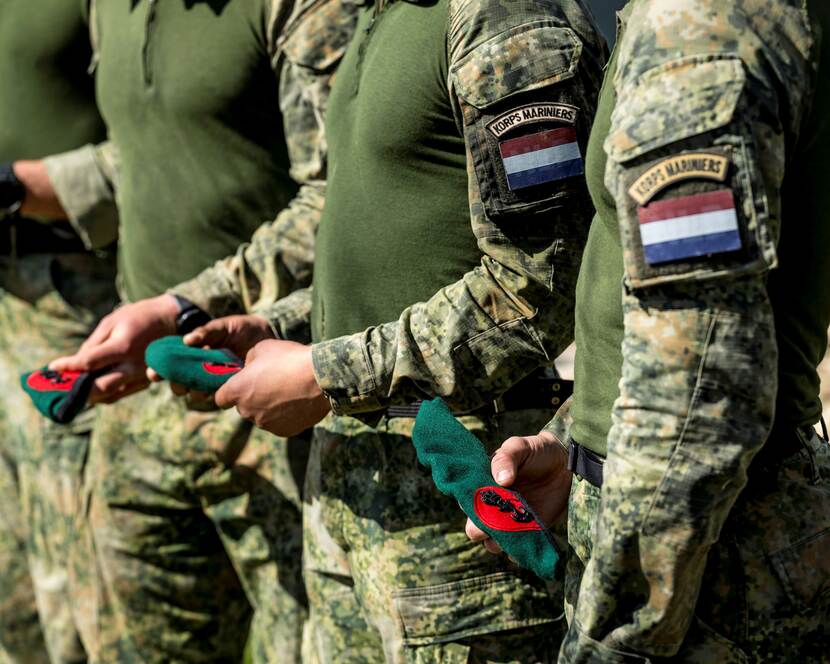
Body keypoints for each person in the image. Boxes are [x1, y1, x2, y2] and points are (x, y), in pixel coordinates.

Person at [181, 0, 607, 660]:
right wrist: (281, 326)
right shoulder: (376, 15)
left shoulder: (506, 18)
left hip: (459, 515)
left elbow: (539, 284)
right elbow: (391, 245)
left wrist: (325, 374)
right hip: (345, 498)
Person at [467, 1, 830, 661]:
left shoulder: (700, 23)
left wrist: (616, 635)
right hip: (699, 534)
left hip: (712, 566)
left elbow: (697, 388)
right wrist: (576, 442)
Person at [23, 0, 357, 660]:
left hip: (271, 388)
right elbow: (152, 147)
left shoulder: (301, 8)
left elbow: (347, 194)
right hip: (142, 388)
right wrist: (23, 186)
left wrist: (187, 307)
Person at [0, 2, 119, 662]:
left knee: (80, 582)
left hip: (76, 295)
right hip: (7, 294)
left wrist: (14, 187)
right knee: (14, 583)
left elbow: (174, 153)